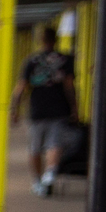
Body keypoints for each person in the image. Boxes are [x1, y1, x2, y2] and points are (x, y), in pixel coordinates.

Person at [12, 25, 77, 195]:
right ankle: (49, 174)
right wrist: (74, 108)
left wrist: (14, 109)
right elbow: (69, 86)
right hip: (59, 109)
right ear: (56, 40)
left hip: (37, 110)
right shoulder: (65, 60)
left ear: (41, 41)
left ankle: (37, 181)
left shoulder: (31, 61)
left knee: (35, 147)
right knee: (54, 144)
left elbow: (20, 88)